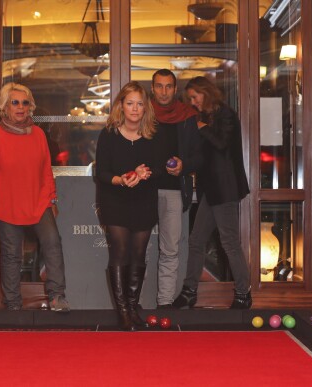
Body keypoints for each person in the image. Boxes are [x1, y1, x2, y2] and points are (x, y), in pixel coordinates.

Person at [0, 82, 69, 312]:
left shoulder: (38, 134)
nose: (20, 107)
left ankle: (57, 297)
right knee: (11, 255)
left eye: (25, 103)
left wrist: (52, 199)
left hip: (39, 202)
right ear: (5, 107)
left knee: (53, 243)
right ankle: (13, 305)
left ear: (31, 107)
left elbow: (46, 170)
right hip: (7, 204)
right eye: (14, 102)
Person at [172, 76, 252, 309]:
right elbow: (201, 158)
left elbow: (221, 143)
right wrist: (183, 166)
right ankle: (189, 292)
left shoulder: (225, 115)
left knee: (229, 243)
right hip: (211, 191)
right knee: (196, 241)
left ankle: (243, 293)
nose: (193, 103)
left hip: (225, 189)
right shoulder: (205, 119)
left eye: (194, 97)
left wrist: (202, 127)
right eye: (190, 99)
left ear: (205, 93)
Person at [95, 81, 161, 331]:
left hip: (144, 202)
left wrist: (146, 173)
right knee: (120, 253)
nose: (135, 109)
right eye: (130, 103)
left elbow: (159, 170)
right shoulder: (109, 134)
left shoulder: (154, 135)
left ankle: (133, 308)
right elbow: (101, 173)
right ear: (121, 105)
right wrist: (121, 180)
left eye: (140, 104)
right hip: (115, 201)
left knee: (139, 255)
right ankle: (122, 311)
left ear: (146, 108)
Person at [150, 69, 198, 309]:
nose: (164, 91)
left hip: (174, 191)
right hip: (143, 191)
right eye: (159, 86)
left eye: (168, 86)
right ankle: (130, 302)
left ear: (175, 88)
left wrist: (184, 165)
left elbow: (199, 156)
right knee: (136, 250)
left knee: (170, 250)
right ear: (152, 88)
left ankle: (165, 303)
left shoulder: (188, 116)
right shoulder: (143, 113)